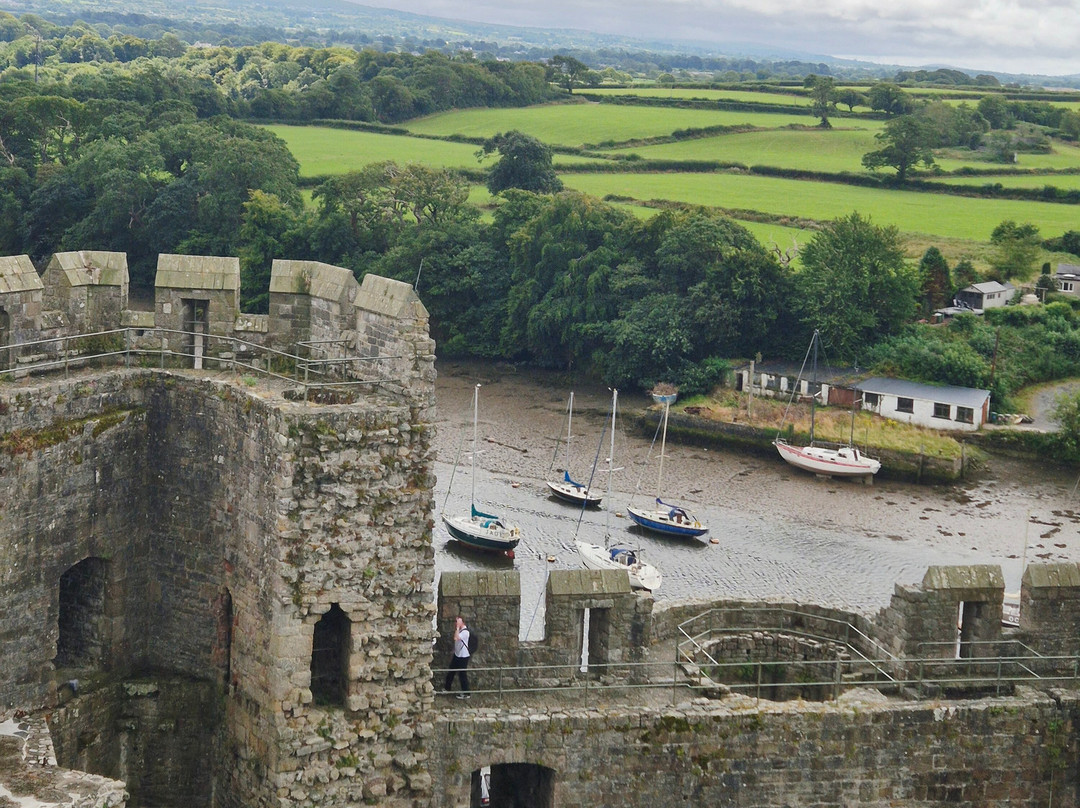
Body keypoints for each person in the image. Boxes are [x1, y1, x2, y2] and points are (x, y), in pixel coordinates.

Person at [444, 615, 471, 698]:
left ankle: (466, 693)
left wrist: (458, 628)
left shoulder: (465, 632)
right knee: (451, 671)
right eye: (456, 622)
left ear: (462, 622)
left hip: (463, 656)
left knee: (462, 674)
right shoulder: (460, 630)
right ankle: (447, 688)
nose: (456, 623)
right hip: (457, 655)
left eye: (458, 621)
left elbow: (456, 638)